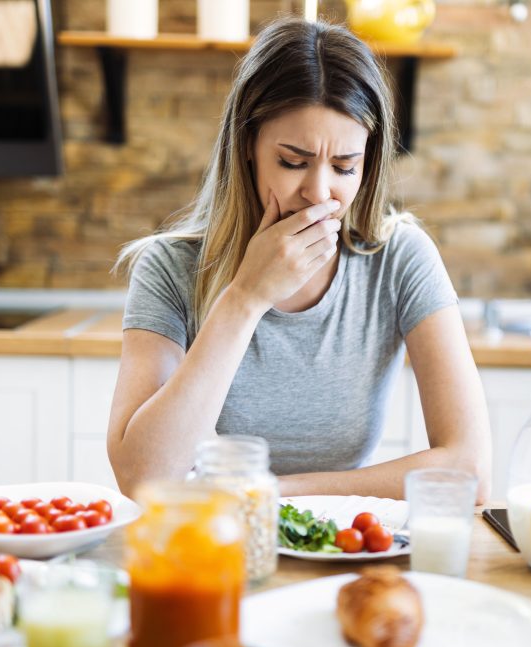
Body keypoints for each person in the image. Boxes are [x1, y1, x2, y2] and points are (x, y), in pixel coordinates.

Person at [107, 17, 491, 502]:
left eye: (345, 167)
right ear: (248, 145)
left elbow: (471, 470)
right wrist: (245, 297)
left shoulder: (400, 260)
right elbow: (142, 478)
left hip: (344, 549)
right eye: (293, 162)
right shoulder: (168, 268)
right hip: (211, 549)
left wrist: (271, 493)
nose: (319, 192)